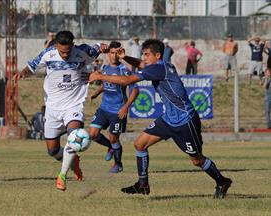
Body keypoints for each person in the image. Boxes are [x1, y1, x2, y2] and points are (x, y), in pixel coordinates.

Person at [89, 39, 232, 199]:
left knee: (197, 160)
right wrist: (125, 57)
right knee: (140, 144)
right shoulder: (160, 65)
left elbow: (127, 80)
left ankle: (222, 181)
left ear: (157, 55)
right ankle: (143, 185)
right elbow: (141, 64)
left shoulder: (158, 69)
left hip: (185, 121)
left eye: (147, 55)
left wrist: (101, 76)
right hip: (168, 119)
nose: (145, 58)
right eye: (144, 54)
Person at [14, 30, 108, 191]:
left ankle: (62, 176)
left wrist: (103, 47)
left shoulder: (82, 52)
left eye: (67, 51)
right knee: (53, 150)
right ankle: (74, 162)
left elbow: (97, 48)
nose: (65, 55)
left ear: (72, 45)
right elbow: (31, 66)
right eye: (61, 51)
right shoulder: (48, 54)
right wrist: (22, 73)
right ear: (56, 45)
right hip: (52, 108)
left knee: (74, 135)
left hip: (74, 105)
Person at [89, 41, 139, 173]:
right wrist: (96, 93)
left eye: (117, 53)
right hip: (104, 108)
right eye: (112, 53)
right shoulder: (105, 68)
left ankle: (118, 164)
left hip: (118, 110)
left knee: (113, 138)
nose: (114, 56)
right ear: (108, 54)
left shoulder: (124, 70)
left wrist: (126, 107)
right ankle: (110, 147)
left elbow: (135, 90)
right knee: (93, 134)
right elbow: (106, 84)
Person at [261, 64, 271, 129]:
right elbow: (263, 86)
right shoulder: (264, 78)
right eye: (267, 72)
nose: (268, 73)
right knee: (267, 111)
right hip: (267, 97)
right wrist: (266, 78)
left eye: (269, 72)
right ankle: (269, 125)